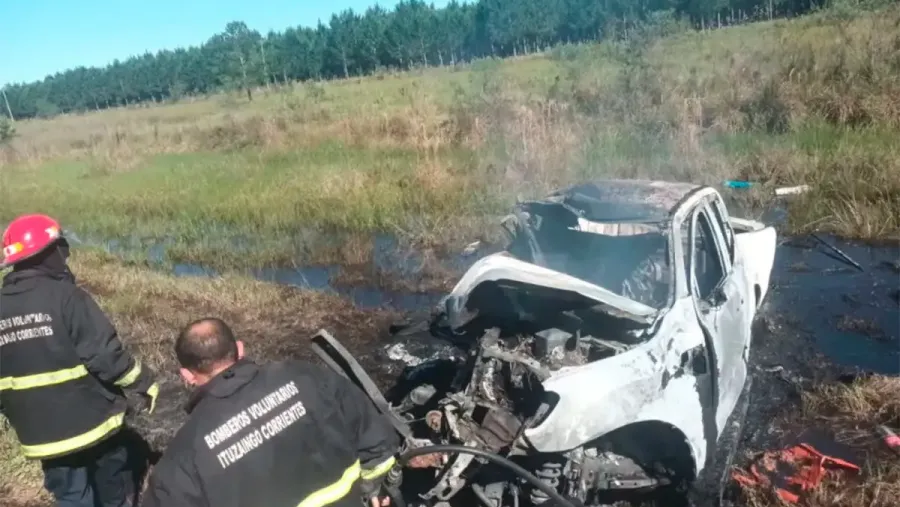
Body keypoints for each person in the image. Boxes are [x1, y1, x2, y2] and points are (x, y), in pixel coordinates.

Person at [140, 317, 402, 507]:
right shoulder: (309, 377)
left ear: (187, 375)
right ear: (240, 350)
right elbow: (378, 445)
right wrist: (372, 493)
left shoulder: (183, 458)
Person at [0, 213, 160, 507]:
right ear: (49, 253)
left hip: (42, 435)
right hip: (92, 423)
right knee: (113, 486)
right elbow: (105, 356)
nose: (66, 255)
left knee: (72, 497)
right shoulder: (67, 297)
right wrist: (144, 382)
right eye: (62, 247)